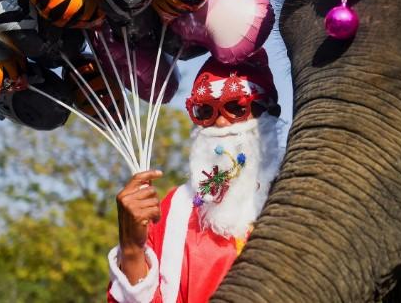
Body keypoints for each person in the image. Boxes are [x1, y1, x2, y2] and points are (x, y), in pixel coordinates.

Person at [107, 49, 283, 303]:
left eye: (236, 107)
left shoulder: (298, 196)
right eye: (204, 112)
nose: (221, 123)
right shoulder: (175, 209)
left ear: (268, 111)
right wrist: (132, 249)